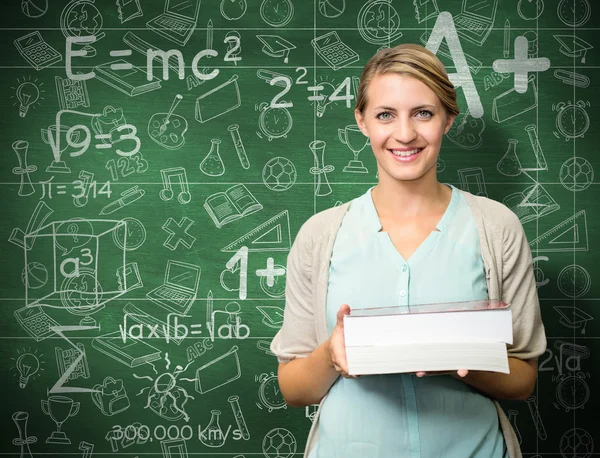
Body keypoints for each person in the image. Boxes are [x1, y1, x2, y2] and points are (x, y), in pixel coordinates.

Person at [270, 44, 546, 458]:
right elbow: (293, 388)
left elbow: (523, 378)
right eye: (385, 114)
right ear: (361, 121)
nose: (404, 134)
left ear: (448, 119)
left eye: (423, 113)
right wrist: (332, 354)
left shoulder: (496, 227)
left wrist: (455, 359)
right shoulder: (320, 235)